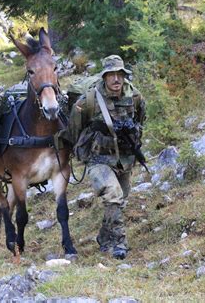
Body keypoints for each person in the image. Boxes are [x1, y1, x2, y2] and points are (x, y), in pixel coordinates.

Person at [58, 55, 146, 259]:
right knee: (113, 195)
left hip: (123, 159)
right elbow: (73, 129)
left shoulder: (135, 97)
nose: (116, 79)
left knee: (118, 201)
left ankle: (104, 238)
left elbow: (141, 119)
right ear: (104, 77)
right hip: (98, 159)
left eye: (120, 74)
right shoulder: (88, 101)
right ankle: (119, 243)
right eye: (111, 75)